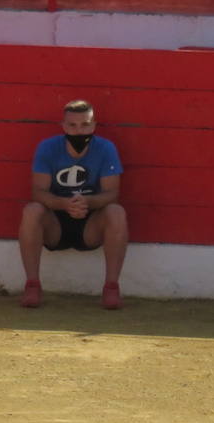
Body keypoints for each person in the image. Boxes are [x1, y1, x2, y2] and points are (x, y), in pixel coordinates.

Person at [18, 100, 129, 310]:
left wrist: (87, 202)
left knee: (116, 212)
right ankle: (32, 285)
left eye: (85, 125)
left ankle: (112, 287)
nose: (79, 131)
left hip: (91, 222)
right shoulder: (48, 147)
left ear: (94, 125)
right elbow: (38, 192)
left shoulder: (105, 148)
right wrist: (63, 204)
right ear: (63, 126)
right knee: (31, 211)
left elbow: (112, 194)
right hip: (55, 223)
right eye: (72, 125)